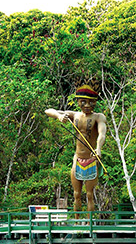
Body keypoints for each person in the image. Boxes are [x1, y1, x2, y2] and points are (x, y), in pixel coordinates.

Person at [45, 85, 107, 213]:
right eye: (83, 102)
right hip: (77, 159)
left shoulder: (98, 117)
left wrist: (98, 148)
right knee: (76, 194)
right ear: (78, 101)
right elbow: (48, 110)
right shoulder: (74, 115)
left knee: (89, 195)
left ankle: (89, 223)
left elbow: (102, 134)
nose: (87, 105)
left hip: (91, 159)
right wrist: (58, 116)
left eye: (91, 102)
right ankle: (77, 222)